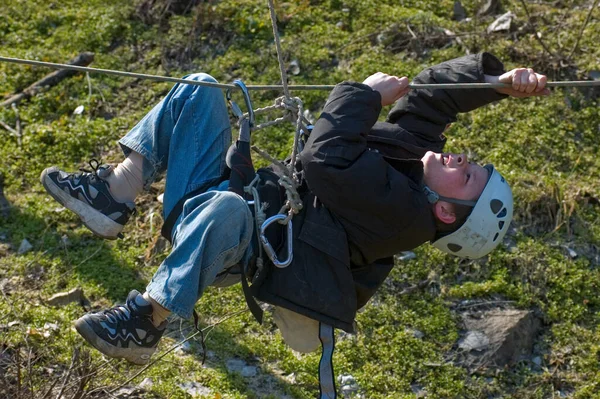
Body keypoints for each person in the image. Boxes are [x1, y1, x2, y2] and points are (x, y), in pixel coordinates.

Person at [40, 53, 548, 364]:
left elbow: (325, 159)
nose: (462, 158)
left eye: (467, 175)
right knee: (200, 87)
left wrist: (363, 95)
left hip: (240, 244)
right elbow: (434, 97)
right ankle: (115, 191)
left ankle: (145, 320)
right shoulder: (413, 163)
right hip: (232, 195)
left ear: (444, 212)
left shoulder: (399, 216)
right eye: (471, 162)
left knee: (225, 210)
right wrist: (497, 82)